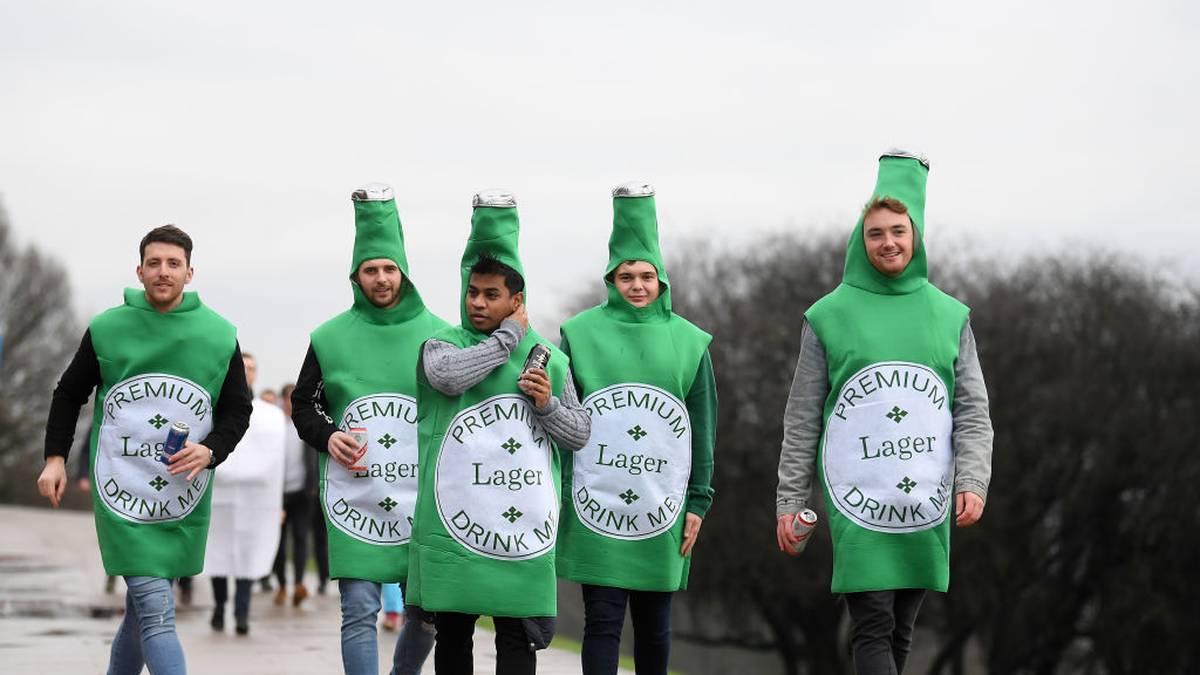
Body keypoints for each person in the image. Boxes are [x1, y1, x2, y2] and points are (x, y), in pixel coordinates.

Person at [774, 150, 994, 675]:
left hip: (926, 498)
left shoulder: (950, 315)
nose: (888, 242)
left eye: (898, 230)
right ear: (860, 238)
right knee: (871, 624)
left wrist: (975, 479)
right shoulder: (828, 316)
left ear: (915, 235)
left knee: (900, 630)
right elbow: (803, 417)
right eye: (875, 233)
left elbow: (973, 410)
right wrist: (789, 498)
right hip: (857, 502)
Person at [37, 224, 252, 675]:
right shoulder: (107, 329)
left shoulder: (218, 335)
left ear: (190, 272)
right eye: (154, 263)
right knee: (156, 607)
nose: (163, 272)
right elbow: (68, 392)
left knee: (140, 611)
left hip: (180, 495)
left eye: (173, 263)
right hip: (122, 490)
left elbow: (237, 410)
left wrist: (211, 450)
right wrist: (55, 458)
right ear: (139, 270)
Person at [407, 190, 591, 675]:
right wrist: (507, 338)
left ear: (517, 300)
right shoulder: (441, 344)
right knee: (454, 635)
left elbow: (579, 434)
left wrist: (547, 404)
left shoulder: (551, 358)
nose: (478, 303)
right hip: (455, 523)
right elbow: (449, 379)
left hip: (522, 530)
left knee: (516, 637)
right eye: (473, 292)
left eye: (492, 295)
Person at [556, 182, 717, 675]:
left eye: (647, 276)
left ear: (662, 280)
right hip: (594, 501)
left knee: (655, 624)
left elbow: (702, 424)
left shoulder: (690, 342)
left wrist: (699, 500)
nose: (638, 286)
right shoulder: (578, 334)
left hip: (661, 505)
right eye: (626, 276)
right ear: (611, 279)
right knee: (601, 622)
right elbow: (560, 417)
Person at [292, 184, 446, 675]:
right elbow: (303, 405)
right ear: (356, 275)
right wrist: (327, 434)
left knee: (426, 614)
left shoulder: (441, 335)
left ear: (403, 272)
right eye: (371, 269)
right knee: (358, 611)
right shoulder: (329, 337)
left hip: (423, 497)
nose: (381, 279)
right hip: (355, 493)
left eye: (389, 268)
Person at [204, 351, 287, 635]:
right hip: (221, 498)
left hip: (256, 501)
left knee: (248, 556)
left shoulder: (271, 416)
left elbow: (274, 462)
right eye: (242, 367)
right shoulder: (214, 407)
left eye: (251, 367)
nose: (247, 372)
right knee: (218, 552)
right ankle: (218, 606)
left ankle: (241, 612)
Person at [273, 382, 318, 607]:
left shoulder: (304, 425)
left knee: (301, 538)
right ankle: (281, 584)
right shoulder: (275, 426)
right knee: (279, 542)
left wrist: (314, 485)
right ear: (283, 401)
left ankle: (299, 583)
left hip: (302, 492)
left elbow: (315, 454)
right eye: (289, 399)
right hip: (277, 494)